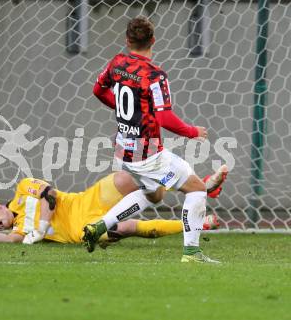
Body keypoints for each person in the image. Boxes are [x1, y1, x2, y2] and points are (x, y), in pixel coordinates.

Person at [83, 16, 221, 263]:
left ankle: (98, 227)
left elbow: (98, 90)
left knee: (152, 194)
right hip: (147, 153)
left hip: (124, 148)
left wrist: (123, 109)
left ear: (127, 40)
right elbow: (165, 117)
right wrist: (192, 132)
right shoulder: (155, 76)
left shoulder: (117, 63)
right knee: (197, 189)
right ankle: (192, 253)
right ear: (153, 41)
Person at [0, 168, 227, 245]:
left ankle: (199, 187)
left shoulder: (22, 189)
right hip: (80, 230)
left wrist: (43, 225)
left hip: (85, 200)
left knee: (126, 177)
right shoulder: (20, 230)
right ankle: (197, 222)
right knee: (129, 228)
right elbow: (10, 240)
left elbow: (51, 195)